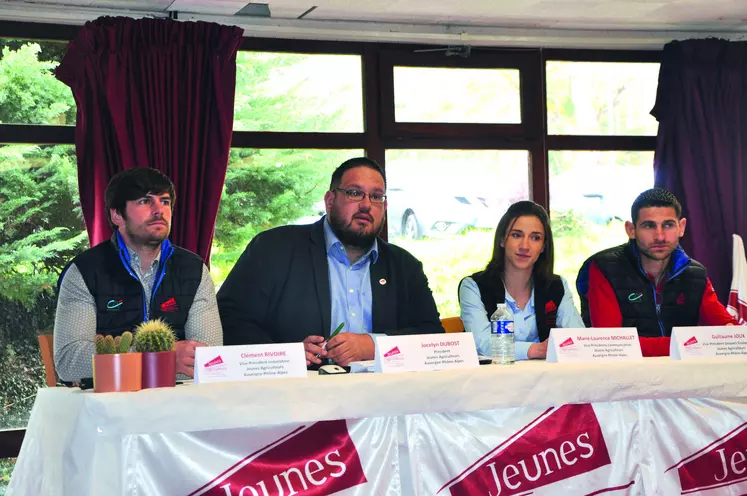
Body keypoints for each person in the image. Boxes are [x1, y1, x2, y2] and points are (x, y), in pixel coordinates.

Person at [217, 157, 444, 367]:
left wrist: (373, 346)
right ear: (330, 200)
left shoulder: (404, 266)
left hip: (382, 397)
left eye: (376, 197)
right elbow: (230, 320)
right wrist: (285, 355)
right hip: (295, 395)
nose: (366, 205)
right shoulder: (273, 248)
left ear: (384, 208)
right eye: (355, 193)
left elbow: (432, 335)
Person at [53, 168, 222, 382]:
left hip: (179, 404)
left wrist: (114, 357)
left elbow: (209, 359)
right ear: (117, 215)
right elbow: (69, 363)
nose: (158, 210)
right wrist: (164, 359)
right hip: (109, 404)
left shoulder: (195, 270)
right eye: (144, 201)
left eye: (165, 202)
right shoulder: (84, 271)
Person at [576, 188, 738, 356]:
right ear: (631, 230)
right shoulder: (604, 267)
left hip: (683, 375)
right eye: (649, 226)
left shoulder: (695, 274)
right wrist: (692, 344)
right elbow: (612, 344)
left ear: (681, 227)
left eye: (668, 225)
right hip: (624, 376)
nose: (660, 236)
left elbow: (728, 331)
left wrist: (728, 335)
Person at [459, 201, 584, 360]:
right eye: (517, 235)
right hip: (491, 381)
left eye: (535, 238)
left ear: (543, 246)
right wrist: (535, 350)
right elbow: (482, 345)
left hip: (548, 380)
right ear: (502, 240)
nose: (525, 246)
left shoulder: (557, 286)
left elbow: (577, 338)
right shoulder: (473, 287)